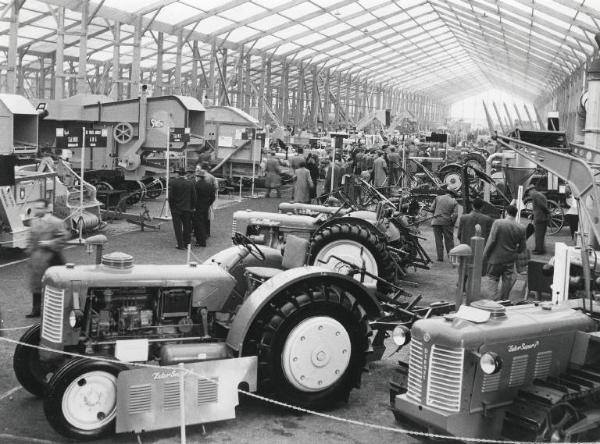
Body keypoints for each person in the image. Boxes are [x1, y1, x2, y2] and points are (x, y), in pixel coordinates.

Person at [26, 199, 70, 317]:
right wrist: (29, 251)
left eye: (40, 208)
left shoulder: (56, 222)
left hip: (51, 258)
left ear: (46, 209)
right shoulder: (33, 221)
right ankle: (36, 309)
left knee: (51, 284)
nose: (37, 210)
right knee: (36, 284)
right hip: (37, 257)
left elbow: (64, 237)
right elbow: (31, 238)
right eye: (36, 208)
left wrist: (50, 243)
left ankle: (52, 310)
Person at [482, 205, 527, 300]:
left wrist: (485, 254)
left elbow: (491, 240)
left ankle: (492, 302)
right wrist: (514, 252)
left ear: (506, 212)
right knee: (507, 282)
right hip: (509, 260)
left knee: (492, 279)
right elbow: (522, 248)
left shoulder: (498, 223)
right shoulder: (521, 227)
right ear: (516, 214)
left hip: (495, 258)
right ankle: (504, 301)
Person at [168, 168, 196, 250]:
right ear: (185, 174)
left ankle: (180, 244)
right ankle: (187, 243)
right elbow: (194, 196)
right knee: (187, 226)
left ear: (178, 174)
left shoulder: (173, 182)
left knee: (177, 227)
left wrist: (171, 207)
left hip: (176, 208)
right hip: (187, 208)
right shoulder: (190, 183)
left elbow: (171, 197)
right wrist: (192, 207)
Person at [429, 185, 458, 262]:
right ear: (452, 194)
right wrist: (452, 222)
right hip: (447, 222)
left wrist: (435, 216)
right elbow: (455, 214)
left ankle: (440, 257)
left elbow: (431, 209)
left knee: (438, 240)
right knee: (449, 240)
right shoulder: (454, 201)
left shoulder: (438, 198)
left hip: (436, 222)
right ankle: (451, 257)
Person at [192, 165, 216, 247]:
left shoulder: (196, 185)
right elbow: (213, 197)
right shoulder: (209, 185)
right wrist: (208, 203)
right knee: (205, 222)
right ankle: (205, 236)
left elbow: (194, 197)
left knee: (198, 224)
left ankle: (200, 241)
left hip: (198, 207)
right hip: (205, 206)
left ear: (198, 177)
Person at [526, 184, 550, 254]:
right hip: (541, 217)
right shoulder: (538, 195)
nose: (528, 194)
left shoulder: (535, 195)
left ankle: (539, 250)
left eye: (528, 192)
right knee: (539, 234)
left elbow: (541, 206)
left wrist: (547, 212)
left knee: (539, 235)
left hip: (540, 218)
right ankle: (539, 248)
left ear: (531, 190)